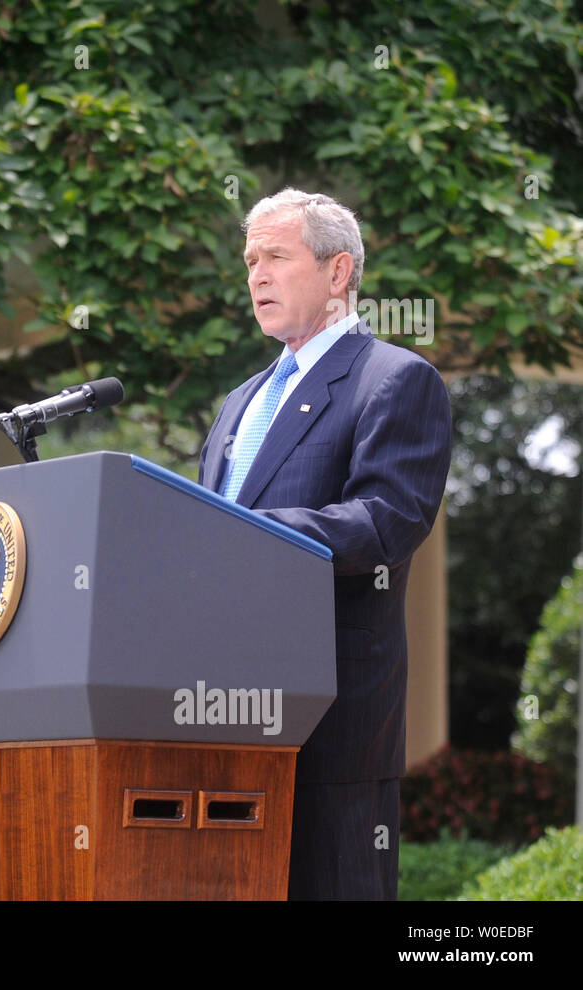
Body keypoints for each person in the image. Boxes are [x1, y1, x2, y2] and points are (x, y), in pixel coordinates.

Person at [197, 188, 452, 899]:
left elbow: (386, 520)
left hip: (329, 723)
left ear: (339, 273)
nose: (256, 275)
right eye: (250, 260)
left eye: (276, 256)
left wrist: (238, 535)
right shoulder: (238, 402)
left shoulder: (396, 380)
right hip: (212, 717)